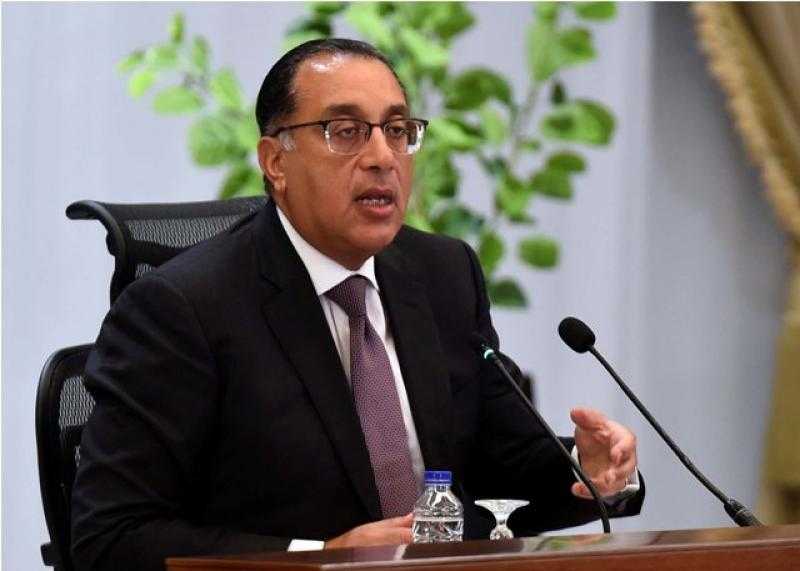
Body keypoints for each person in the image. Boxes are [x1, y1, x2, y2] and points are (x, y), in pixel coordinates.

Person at [71, 38, 643, 571]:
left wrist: (591, 472)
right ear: (275, 162)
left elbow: (508, 465)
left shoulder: (443, 274)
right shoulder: (182, 310)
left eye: (397, 130)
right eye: (345, 131)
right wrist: (322, 557)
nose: (382, 157)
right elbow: (112, 538)